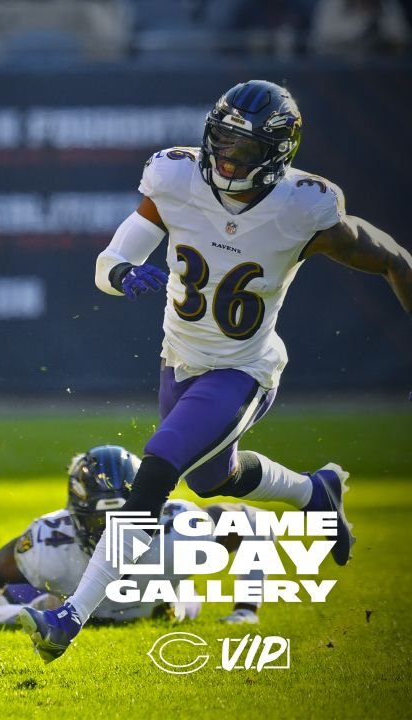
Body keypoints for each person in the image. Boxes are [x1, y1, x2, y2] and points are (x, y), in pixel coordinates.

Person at [21, 79, 412, 663]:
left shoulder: (303, 207)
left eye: (245, 149)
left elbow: (392, 260)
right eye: (223, 141)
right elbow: (109, 262)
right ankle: (315, 490)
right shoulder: (175, 180)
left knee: (154, 472)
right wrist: (125, 275)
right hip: (179, 361)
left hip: (243, 368)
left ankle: (70, 616)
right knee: (211, 480)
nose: (228, 157)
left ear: (276, 154)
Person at [0, 446, 266, 632]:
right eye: (101, 520)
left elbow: (254, 523)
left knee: (172, 606)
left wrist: (246, 607)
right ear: (76, 517)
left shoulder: (179, 530)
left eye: (124, 517)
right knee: (2, 607)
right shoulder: (53, 543)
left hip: (153, 601)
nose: (112, 530)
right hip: (72, 599)